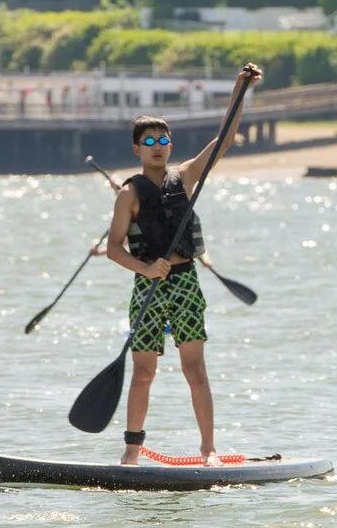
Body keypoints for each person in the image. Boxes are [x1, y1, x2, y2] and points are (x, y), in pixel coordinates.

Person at [104, 66, 262, 466]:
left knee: (195, 371)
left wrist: (239, 90)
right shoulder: (128, 195)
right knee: (143, 373)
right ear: (137, 150)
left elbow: (224, 140)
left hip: (186, 284)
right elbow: (114, 249)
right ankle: (131, 452)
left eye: (163, 140)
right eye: (149, 141)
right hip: (148, 289)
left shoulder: (186, 176)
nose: (158, 147)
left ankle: (208, 450)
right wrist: (145, 269)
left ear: (170, 145)